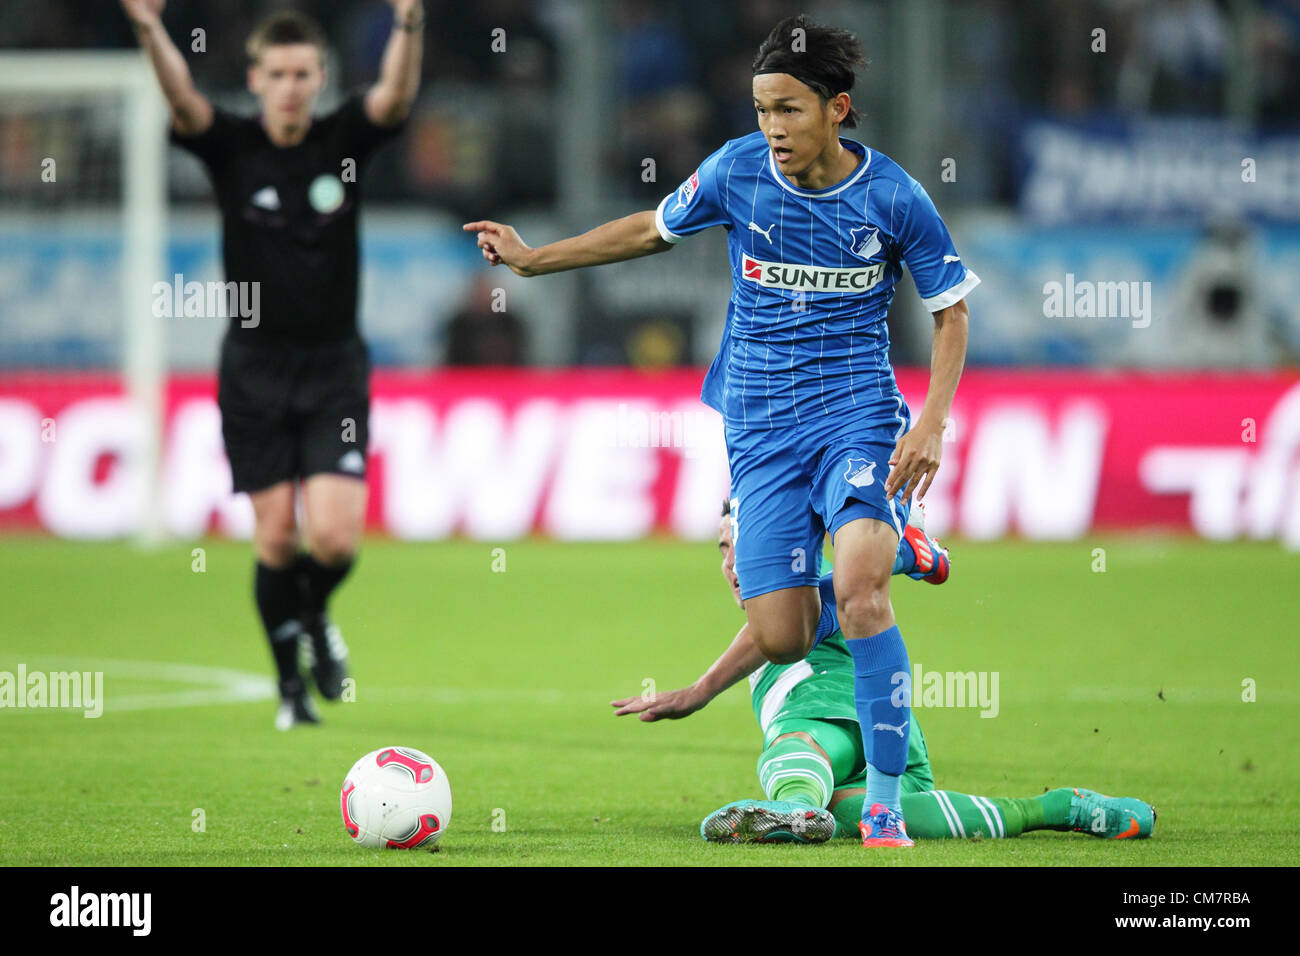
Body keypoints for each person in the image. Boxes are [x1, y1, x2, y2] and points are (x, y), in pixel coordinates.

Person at [466, 14, 973, 844]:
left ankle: (884, 806)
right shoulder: (737, 171)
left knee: (860, 592)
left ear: (837, 109)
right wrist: (533, 258)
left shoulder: (893, 196)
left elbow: (950, 312)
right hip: (762, 426)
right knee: (783, 634)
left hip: (857, 415)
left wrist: (931, 423)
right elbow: (648, 229)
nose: (772, 127)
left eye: (789, 109)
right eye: (761, 108)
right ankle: (897, 539)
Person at [120, 0, 423, 728]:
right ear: (255, 79)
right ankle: (291, 687)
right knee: (278, 536)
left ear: (321, 76)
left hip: (334, 369)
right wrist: (148, 28)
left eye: (302, 73)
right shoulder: (231, 146)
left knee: (336, 538)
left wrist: (409, 22)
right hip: (253, 370)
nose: (290, 86)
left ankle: (313, 614)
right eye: (277, 74)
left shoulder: (342, 139)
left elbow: (396, 96)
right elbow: (181, 98)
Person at [612, 504, 1156, 845]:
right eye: (724, 548)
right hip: (870, 778)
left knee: (798, 741)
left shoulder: (813, 597)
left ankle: (795, 808)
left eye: (745, 545)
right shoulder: (787, 612)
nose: (733, 563)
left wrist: (698, 693)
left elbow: (789, 624)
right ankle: (1061, 807)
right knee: (875, 821)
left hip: (862, 732)